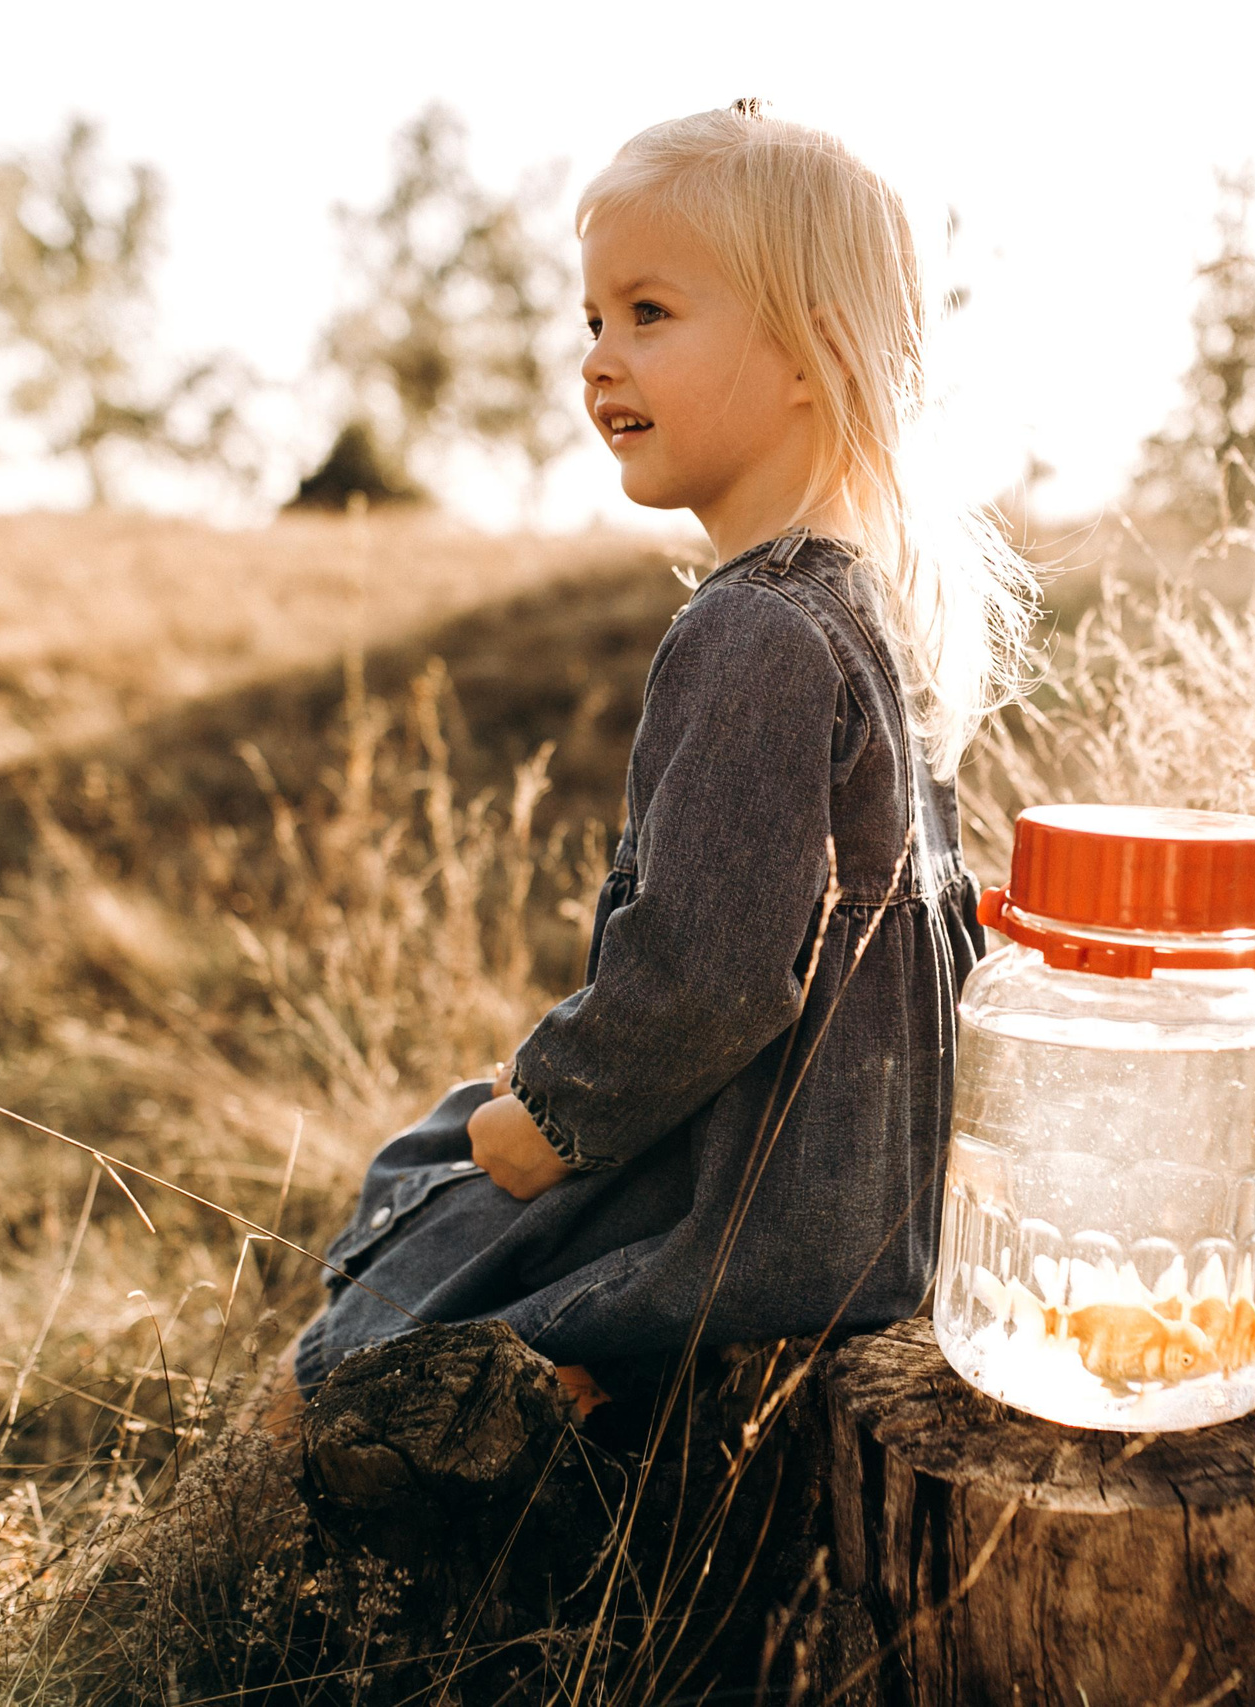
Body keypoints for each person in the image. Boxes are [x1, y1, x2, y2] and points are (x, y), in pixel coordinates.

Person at [277, 101, 1042, 1424]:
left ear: (807, 353)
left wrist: (560, 1116)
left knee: (370, 1330)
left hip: (762, 1204)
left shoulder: (755, 629)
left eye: (650, 313)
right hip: (865, 1193)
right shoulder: (857, 615)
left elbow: (710, 972)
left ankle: (517, 1438)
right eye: (592, 320)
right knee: (449, 1144)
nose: (598, 359)